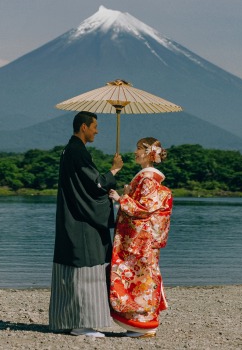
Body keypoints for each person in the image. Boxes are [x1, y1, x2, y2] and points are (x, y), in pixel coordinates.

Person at [49, 111, 123, 337]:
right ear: (84, 127)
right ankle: (82, 324)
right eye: (94, 127)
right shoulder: (77, 151)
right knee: (86, 267)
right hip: (81, 222)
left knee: (73, 270)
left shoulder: (69, 150)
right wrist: (114, 170)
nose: (97, 131)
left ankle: (70, 320)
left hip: (71, 217)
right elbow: (96, 185)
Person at [107, 137, 173, 338]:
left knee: (140, 278)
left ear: (148, 153)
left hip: (140, 241)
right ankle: (141, 324)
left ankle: (143, 324)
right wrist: (128, 194)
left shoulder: (147, 178)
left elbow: (145, 209)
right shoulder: (148, 178)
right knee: (144, 277)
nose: (135, 152)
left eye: (138, 149)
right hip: (145, 239)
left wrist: (120, 199)